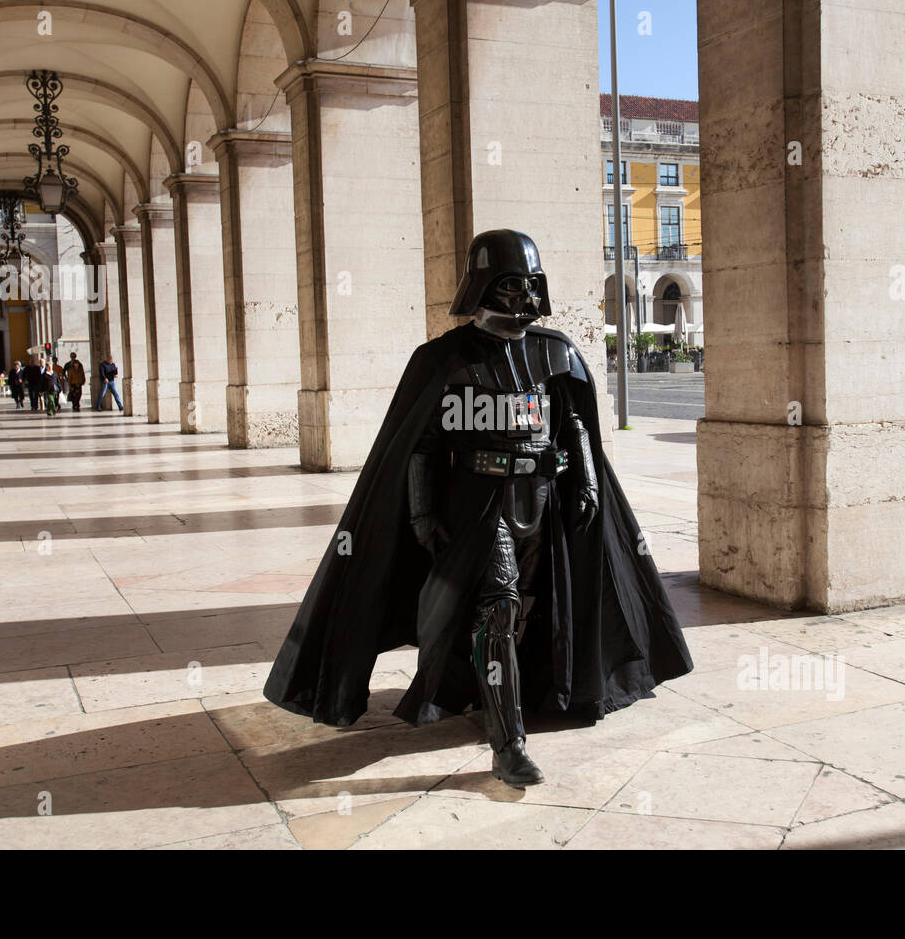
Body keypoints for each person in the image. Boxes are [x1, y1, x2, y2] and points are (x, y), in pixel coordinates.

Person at [262, 230, 692, 788]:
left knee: (534, 606)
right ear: (483, 284)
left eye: (534, 286)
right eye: (513, 286)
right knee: (499, 609)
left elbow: (575, 424)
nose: (527, 299)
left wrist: (585, 479)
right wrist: (420, 515)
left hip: (544, 500)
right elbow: (419, 444)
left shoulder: (555, 351)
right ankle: (507, 740)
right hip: (480, 505)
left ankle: (509, 687)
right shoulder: (442, 360)